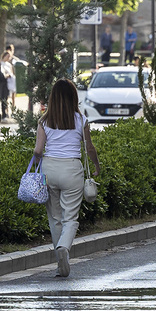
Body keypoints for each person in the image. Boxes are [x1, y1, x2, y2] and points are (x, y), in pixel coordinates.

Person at [30, 79, 100, 278]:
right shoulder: (80, 119)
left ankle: (61, 262)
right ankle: (64, 247)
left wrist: (36, 163)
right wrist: (96, 165)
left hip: (49, 169)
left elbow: (37, 150)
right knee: (70, 217)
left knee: (55, 217)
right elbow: (89, 148)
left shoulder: (44, 121)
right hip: (72, 169)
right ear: (73, 97)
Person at [4, 45, 18, 115]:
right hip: (7, 82)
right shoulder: (5, 61)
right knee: (7, 98)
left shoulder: (14, 60)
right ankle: (7, 111)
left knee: (13, 97)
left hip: (12, 81)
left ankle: (13, 110)